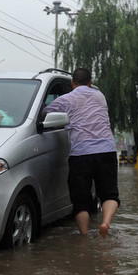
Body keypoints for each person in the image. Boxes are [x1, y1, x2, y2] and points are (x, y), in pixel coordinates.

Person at [42, 67, 120, 237]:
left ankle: (84, 237)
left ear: (72, 83)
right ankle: (105, 223)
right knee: (109, 194)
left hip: (81, 153)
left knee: (80, 201)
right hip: (106, 150)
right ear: (90, 82)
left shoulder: (67, 99)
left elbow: (44, 113)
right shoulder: (100, 96)